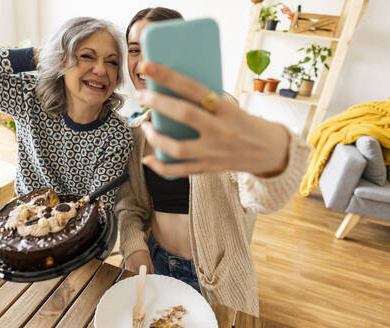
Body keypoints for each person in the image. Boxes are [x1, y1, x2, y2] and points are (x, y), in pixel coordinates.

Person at [115, 7, 311, 316]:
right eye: (135, 50)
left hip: (218, 275)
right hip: (156, 265)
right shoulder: (136, 128)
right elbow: (131, 206)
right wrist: (134, 247)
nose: (143, 64)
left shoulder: (216, 111)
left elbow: (260, 197)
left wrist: (273, 156)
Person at [0, 17, 133, 211]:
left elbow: (98, 210)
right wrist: (40, 55)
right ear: (61, 61)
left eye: (112, 62)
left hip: (80, 229)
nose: (100, 70)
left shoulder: (117, 136)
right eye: (87, 56)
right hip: (24, 217)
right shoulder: (28, 96)